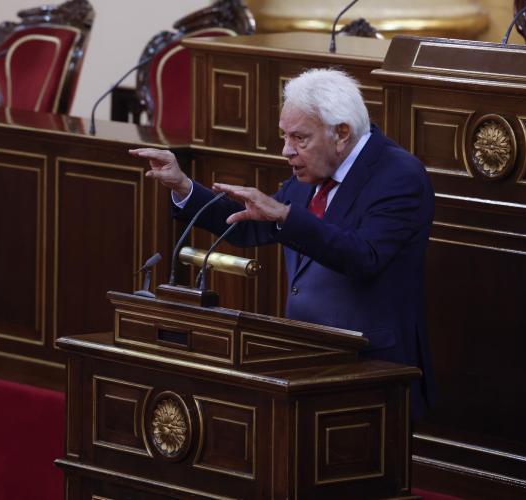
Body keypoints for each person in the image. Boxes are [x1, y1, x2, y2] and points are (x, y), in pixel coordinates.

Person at [129, 68, 434, 417]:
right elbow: (250, 227)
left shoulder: (399, 175)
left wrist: (286, 218)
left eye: (299, 138)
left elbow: (365, 256)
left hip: (371, 368)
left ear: (341, 133)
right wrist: (183, 187)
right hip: (305, 358)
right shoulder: (312, 170)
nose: (287, 151)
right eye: (285, 136)